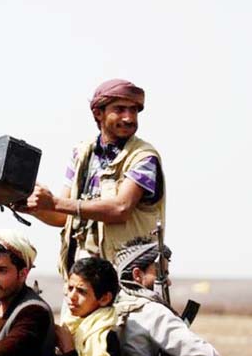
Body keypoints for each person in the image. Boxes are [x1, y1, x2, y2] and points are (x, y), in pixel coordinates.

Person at [20, 79, 166, 275]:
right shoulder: (81, 153)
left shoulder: (144, 157)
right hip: (82, 275)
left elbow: (120, 208)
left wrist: (54, 202)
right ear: (98, 113)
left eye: (134, 111)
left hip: (129, 277)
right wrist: (32, 205)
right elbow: (64, 216)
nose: (129, 118)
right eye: (120, 109)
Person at [114, 236, 252, 356]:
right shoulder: (151, 311)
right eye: (160, 273)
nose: (167, 281)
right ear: (137, 275)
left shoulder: (112, 308)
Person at [56, 257, 120, 356]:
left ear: (104, 298)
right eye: (70, 288)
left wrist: (69, 352)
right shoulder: (72, 323)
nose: (72, 296)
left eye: (81, 291)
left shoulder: (104, 339)